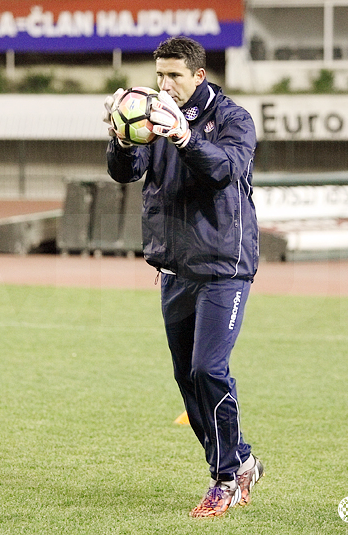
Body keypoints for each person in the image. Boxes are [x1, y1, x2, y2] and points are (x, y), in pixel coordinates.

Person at [104, 36, 264, 518]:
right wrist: (120, 137)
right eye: (159, 76)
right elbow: (124, 174)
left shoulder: (233, 118)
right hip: (175, 268)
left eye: (174, 75)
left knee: (207, 370)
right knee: (186, 377)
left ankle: (224, 481)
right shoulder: (151, 113)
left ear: (199, 75)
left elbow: (224, 170)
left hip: (223, 267)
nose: (164, 85)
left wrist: (183, 136)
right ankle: (242, 461)